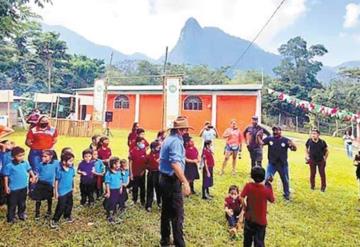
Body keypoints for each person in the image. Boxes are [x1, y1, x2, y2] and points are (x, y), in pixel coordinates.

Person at [159, 116, 191, 247]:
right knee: (177, 215)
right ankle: (179, 243)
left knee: (166, 211)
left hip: (164, 179)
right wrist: (185, 182)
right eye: (186, 130)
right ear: (181, 130)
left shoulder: (168, 138)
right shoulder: (176, 142)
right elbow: (175, 164)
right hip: (172, 181)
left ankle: (165, 240)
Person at [241, 166, 275, 247]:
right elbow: (272, 200)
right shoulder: (266, 189)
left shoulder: (248, 186)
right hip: (261, 221)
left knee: (247, 240)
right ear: (263, 177)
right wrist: (269, 185)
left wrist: (245, 206)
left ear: (252, 176)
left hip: (249, 218)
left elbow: (241, 196)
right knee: (259, 242)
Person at [262, 126, 297, 200]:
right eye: (274, 130)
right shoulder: (269, 139)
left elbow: (294, 149)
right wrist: (258, 138)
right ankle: (266, 194)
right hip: (272, 164)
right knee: (267, 179)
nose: (275, 132)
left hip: (282, 165)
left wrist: (293, 145)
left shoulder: (286, 140)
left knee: (285, 180)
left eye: (277, 130)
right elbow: (261, 143)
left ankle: (286, 194)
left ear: (280, 131)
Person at [3, 146, 36, 223]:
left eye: (23, 155)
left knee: (22, 202)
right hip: (14, 189)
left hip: (23, 187)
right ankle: (11, 217)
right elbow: (6, 177)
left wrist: (33, 176)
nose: (21, 157)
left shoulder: (25, 162)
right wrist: (6, 186)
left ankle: (21, 214)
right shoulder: (9, 165)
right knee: (12, 204)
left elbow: (29, 169)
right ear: (13, 156)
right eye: (19, 156)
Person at [30, 150, 58, 220]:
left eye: (45, 156)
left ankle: (49, 210)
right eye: (42, 156)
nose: (43, 158)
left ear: (51, 156)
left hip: (49, 184)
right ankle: (37, 213)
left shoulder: (56, 163)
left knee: (49, 198)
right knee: (38, 199)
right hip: (40, 183)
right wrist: (34, 178)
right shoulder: (40, 164)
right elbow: (37, 173)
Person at [51, 152, 76, 229]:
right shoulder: (59, 170)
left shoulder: (71, 169)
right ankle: (55, 220)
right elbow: (56, 181)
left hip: (69, 190)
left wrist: (73, 187)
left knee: (69, 204)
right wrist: (56, 192)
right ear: (64, 162)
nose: (72, 163)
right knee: (61, 206)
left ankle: (67, 216)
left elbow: (72, 179)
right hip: (62, 192)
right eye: (70, 161)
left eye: (72, 161)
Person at [103, 157, 123, 224]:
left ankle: (114, 211)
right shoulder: (108, 173)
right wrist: (108, 192)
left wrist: (121, 187)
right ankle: (109, 215)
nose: (118, 165)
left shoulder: (119, 171)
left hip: (117, 189)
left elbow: (120, 180)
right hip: (111, 190)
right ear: (111, 164)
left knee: (116, 201)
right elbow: (107, 183)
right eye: (115, 164)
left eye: (118, 163)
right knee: (111, 202)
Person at [129, 137, 147, 206]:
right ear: (138, 143)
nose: (143, 144)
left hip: (142, 172)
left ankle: (142, 201)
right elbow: (130, 162)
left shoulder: (143, 150)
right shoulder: (132, 151)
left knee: (143, 187)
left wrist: (144, 170)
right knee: (135, 187)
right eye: (142, 143)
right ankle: (134, 200)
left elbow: (145, 162)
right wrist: (131, 174)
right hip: (135, 172)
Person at [145, 141, 161, 212]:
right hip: (151, 173)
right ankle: (148, 205)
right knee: (150, 189)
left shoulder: (160, 155)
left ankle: (159, 203)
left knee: (159, 189)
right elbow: (145, 164)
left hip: (158, 173)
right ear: (153, 148)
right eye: (157, 147)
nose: (159, 148)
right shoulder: (149, 155)